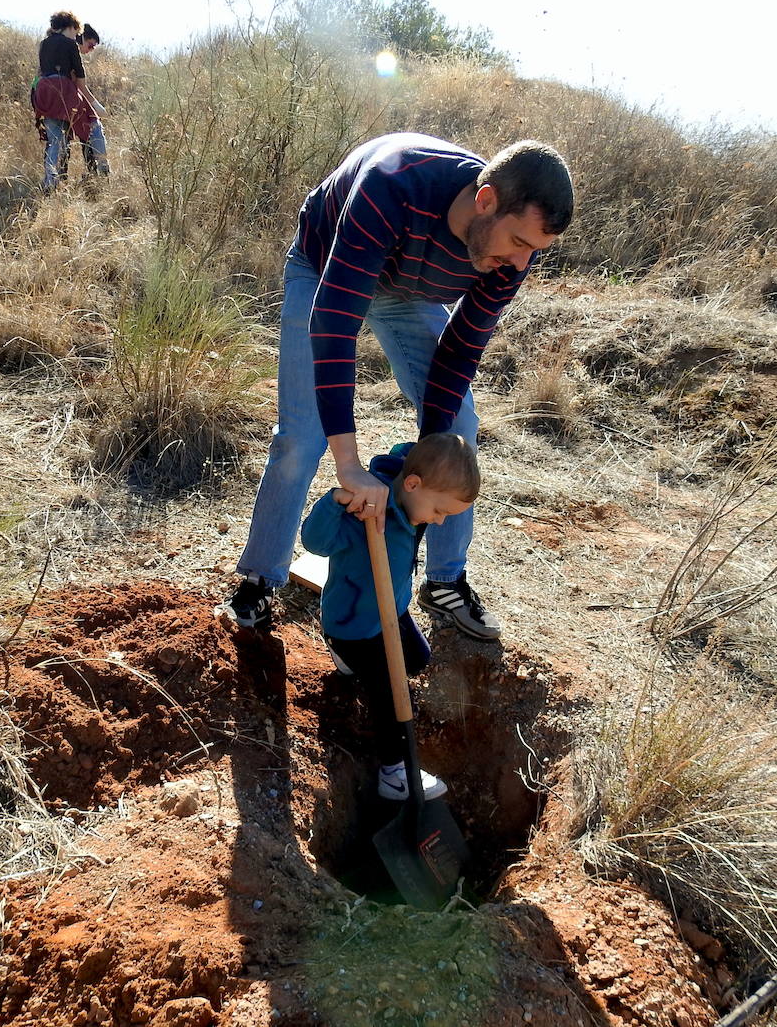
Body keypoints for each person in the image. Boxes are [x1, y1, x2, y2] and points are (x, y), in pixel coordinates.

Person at [226, 133, 573, 640]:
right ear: (486, 200)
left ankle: (445, 579)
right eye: (520, 243)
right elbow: (335, 325)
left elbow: (460, 350)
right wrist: (348, 464)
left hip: (411, 290)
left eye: (535, 250)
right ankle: (260, 577)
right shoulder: (394, 182)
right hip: (326, 266)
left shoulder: (513, 253)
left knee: (457, 427)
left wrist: (429, 470)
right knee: (303, 436)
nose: (522, 264)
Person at [300, 434, 479, 800]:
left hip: (391, 610)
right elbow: (314, 542)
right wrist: (336, 500)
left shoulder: (413, 493)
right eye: (440, 512)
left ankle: (351, 665)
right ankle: (393, 773)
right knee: (394, 700)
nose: (440, 522)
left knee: (417, 659)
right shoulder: (362, 513)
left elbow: (410, 454)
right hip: (354, 626)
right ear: (412, 484)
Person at [30, 11, 102, 193]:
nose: (76, 35)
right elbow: (79, 78)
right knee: (72, 135)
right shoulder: (71, 45)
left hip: (43, 91)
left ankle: (50, 181)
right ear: (70, 27)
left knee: (54, 139)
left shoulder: (44, 43)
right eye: (75, 31)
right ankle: (95, 174)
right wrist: (95, 104)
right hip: (63, 92)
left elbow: (42, 71)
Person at [58, 23, 109, 182]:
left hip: (71, 101)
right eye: (91, 45)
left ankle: (94, 176)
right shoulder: (70, 50)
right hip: (64, 101)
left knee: (84, 134)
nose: (91, 49)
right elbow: (79, 84)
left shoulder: (66, 48)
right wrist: (95, 105)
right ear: (82, 38)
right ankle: (98, 174)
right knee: (68, 138)